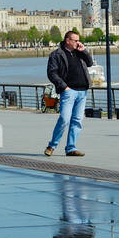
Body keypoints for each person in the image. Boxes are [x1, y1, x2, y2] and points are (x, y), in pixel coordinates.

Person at [45, 30, 94, 158]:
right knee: (64, 119)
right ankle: (52, 145)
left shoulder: (79, 52)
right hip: (69, 91)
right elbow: (52, 73)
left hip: (82, 91)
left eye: (78, 40)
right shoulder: (56, 55)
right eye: (75, 40)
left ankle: (71, 148)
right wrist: (64, 86)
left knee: (77, 120)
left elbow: (90, 63)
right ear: (68, 41)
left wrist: (84, 51)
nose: (78, 43)